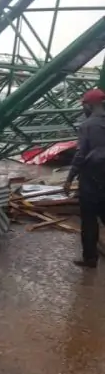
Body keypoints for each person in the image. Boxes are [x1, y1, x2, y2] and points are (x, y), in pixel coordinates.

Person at [64, 88, 105, 268]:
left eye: (84, 105)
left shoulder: (87, 125)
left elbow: (81, 155)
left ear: (89, 105)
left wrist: (69, 178)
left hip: (91, 178)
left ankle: (90, 259)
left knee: (89, 219)